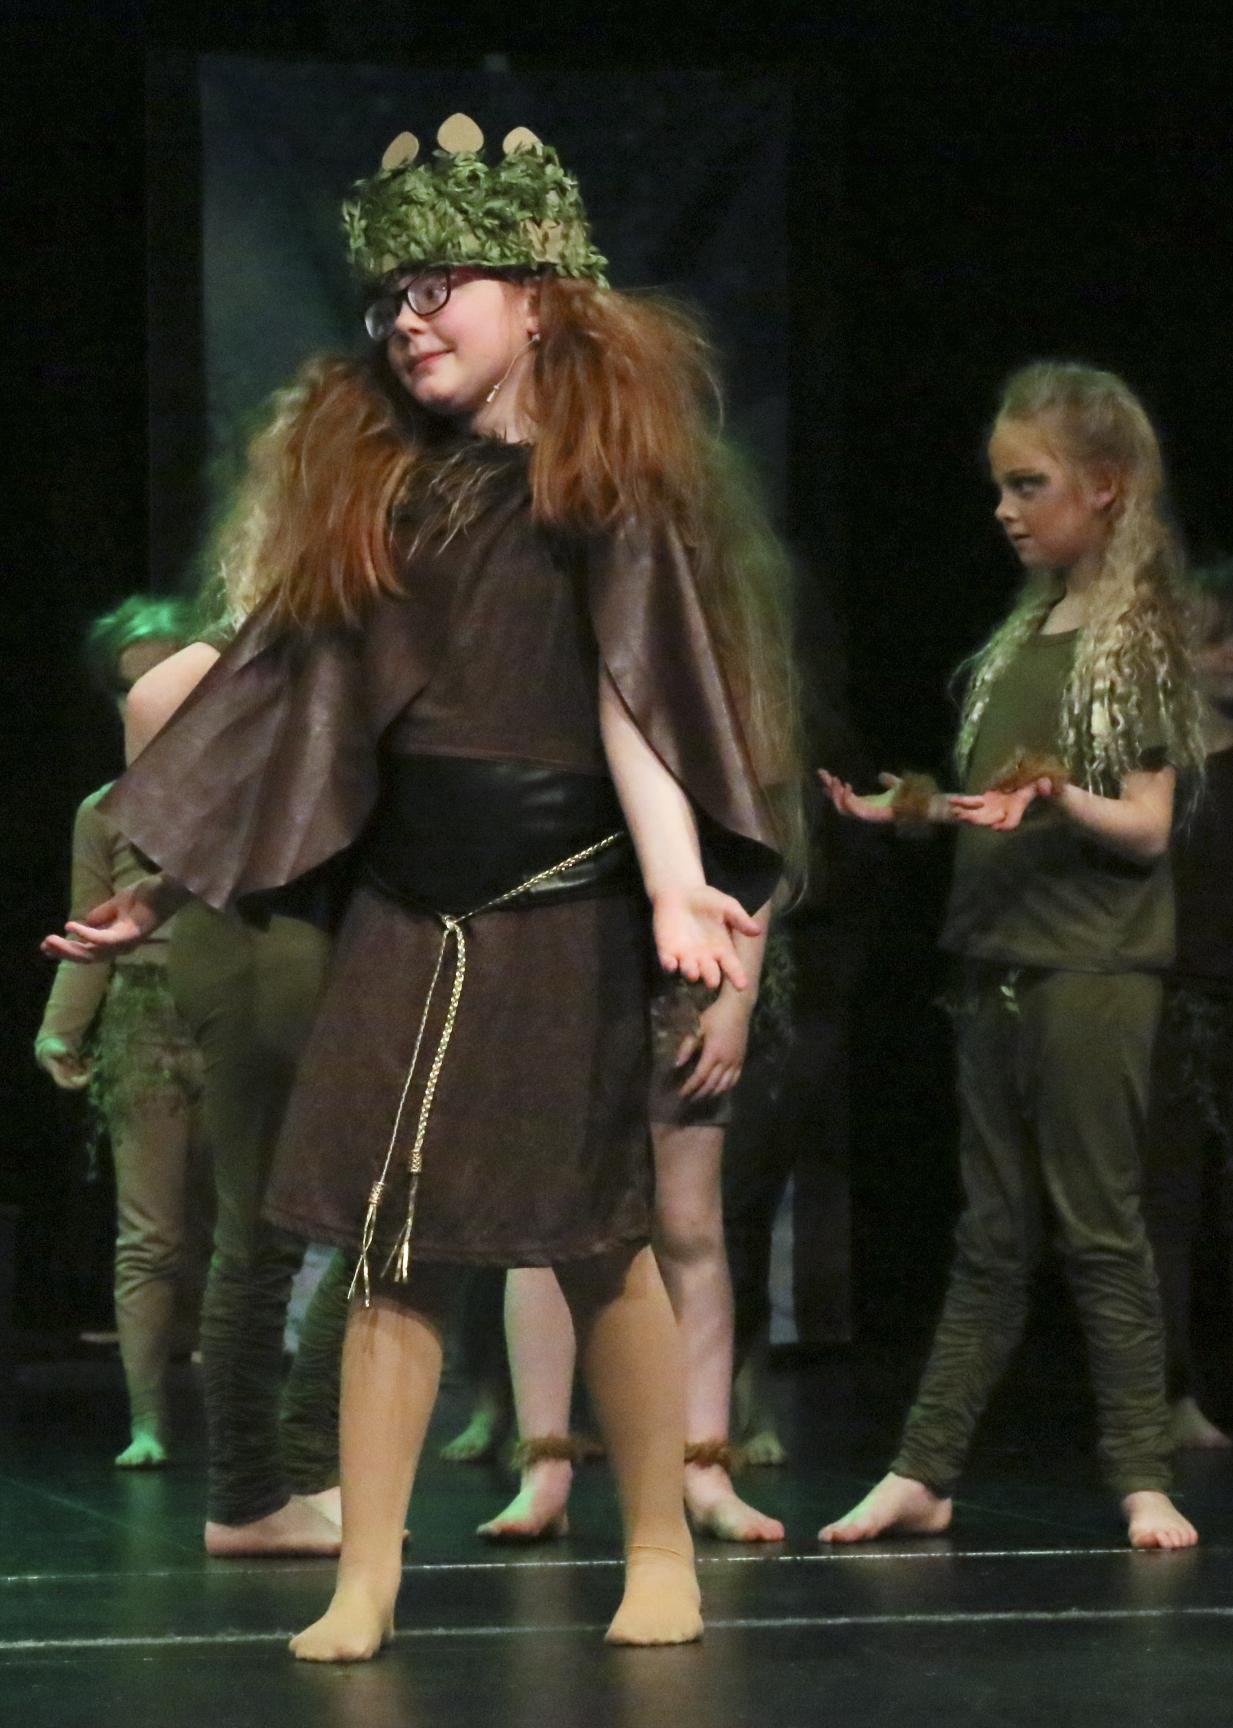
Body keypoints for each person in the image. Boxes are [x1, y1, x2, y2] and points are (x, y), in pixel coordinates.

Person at [44, 115, 799, 1657]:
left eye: (441, 285)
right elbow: (280, 706)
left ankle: (659, 1544)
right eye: (391, 295)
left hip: (562, 903)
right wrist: (157, 887)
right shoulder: (389, 498)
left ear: (539, 298)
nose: (407, 317)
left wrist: (675, 887)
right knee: (387, 1251)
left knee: (595, 1239)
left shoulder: (603, 493)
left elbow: (638, 700)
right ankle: (367, 1576)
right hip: (409, 910)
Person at [819, 361, 1204, 1550]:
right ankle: (924, 1469)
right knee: (988, 1235)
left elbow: (1146, 825)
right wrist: (911, 808)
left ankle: (1142, 1474)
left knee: (1099, 1226)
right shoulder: (1024, 632)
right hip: (992, 957)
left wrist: (1058, 793)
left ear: (1106, 486)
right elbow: (1002, 804)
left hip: (1091, 967)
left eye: (1029, 484)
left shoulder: (1134, 642)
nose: (1005, 509)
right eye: (1000, 486)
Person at [477, 961, 785, 1546]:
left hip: (681, 984)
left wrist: (736, 1004)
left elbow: (751, 898)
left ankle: (705, 1472)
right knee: (545, 1225)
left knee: (689, 1228)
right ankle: (544, 1470)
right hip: (555, 971)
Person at [36, 595, 210, 1467]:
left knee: (245, 1233)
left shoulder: (245, 798)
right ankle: (149, 1422)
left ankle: (257, 1428)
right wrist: (58, 1030)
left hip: (234, 1014)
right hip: (144, 1022)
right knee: (151, 1234)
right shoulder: (103, 811)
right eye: (130, 688)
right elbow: (88, 931)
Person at [1141, 559, 1233, 1449]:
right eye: (1213, 637)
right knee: (1166, 1208)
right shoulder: (1153, 772)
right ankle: (1167, 1396)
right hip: (1169, 1005)